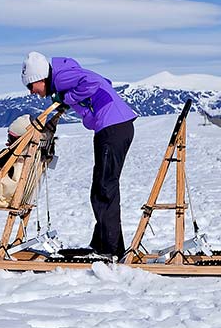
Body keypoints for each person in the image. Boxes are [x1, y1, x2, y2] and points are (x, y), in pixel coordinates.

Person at [22, 51, 138, 258]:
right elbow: (104, 82)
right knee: (101, 187)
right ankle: (104, 244)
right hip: (112, 127)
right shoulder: (64, 76)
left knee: (104, 187)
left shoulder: (60, 77)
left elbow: (92, 82)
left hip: (112, 127)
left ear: (39, 78)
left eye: (31, 86)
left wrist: (68, 97)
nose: (32, 92)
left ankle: (109, 249)